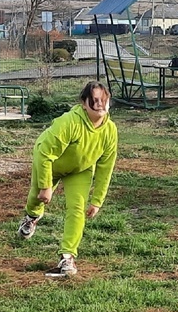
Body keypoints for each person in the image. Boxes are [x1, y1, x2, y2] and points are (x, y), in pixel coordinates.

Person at [17, 81, 118, 277]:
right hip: (50, 162)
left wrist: (97, 200)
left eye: (104, 100)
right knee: (37, 198)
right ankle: (31, 217)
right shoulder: (69, 122)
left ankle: (67, 257)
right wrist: (46, 186)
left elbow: (106, 167)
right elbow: (44, 153)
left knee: (77, 209)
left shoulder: (110, 130)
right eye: (95, 100)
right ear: (83, 102)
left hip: (80, 170)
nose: (100, 104)